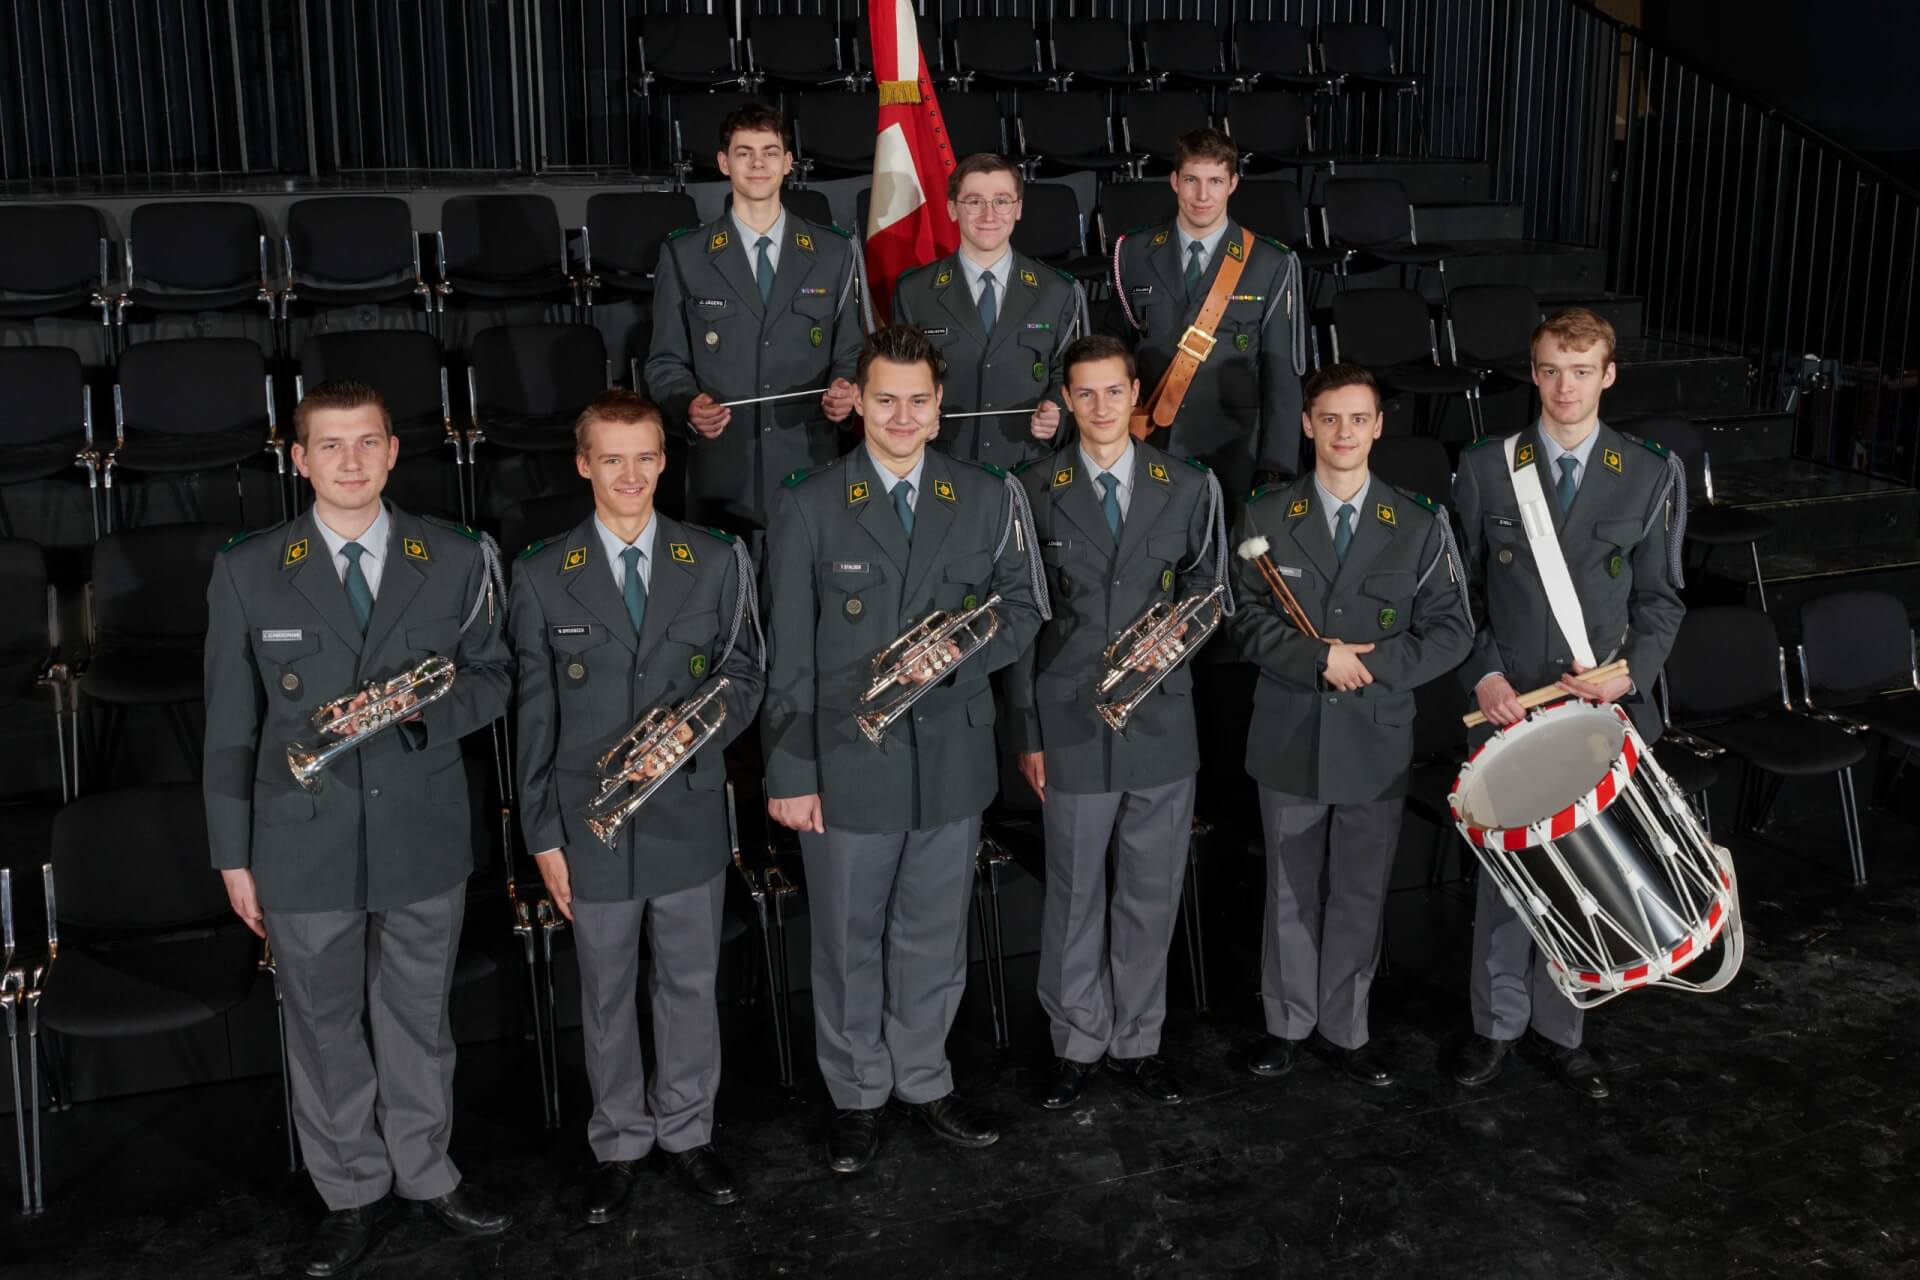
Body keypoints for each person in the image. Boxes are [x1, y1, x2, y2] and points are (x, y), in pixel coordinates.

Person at [202, 381, 514, 1278]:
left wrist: (418, 714)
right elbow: (228, 727)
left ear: (392, 451)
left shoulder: (455, 557)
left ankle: (427, 1172)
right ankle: (350, 1193)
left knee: (418, 1015)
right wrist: (233, 856)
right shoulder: (247, 568)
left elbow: (493, 676)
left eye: (366, 443)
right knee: (323, 1024)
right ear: (297, 459)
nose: (349, 462)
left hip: (421, 829)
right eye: (329, 446)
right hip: (301, 837)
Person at [761, 324, 1047, 1175]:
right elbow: (791, 652)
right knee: (847, 940)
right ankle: (856, 1095)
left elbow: (1023, 607)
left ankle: (924, 1079)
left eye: (918, 400)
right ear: (858, 404)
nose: (901, 415)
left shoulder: (989, 496)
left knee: (931, 932)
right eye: (884, 398)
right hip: (847, 760)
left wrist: (959, 653)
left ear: (939, 406)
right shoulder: (810, 503)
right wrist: (790, 770)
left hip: (950, 757)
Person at [509, 390, 766, 1222]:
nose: (630, 473)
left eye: (646, 456)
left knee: (691, 983)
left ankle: (689, 1132)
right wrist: (542, 834)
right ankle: (619, 1138)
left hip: (686, 810)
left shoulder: (717, 558)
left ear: (666, 460)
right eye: (611, 458)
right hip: (591, 824)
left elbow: (745, 674)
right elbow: (534, 720)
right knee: (606, 989)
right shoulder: (542, 575)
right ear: (584, 464)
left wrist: (694, 735)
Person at [1451, 307, 1687, 1098]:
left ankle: (1563, 1028)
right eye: (1551, 369)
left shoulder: (1651, 473)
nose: (1564, 386)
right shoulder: (1488, 466)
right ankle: (1495, 1028)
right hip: (1511, 706)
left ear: (1608, 376)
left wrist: (1633, 672)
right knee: (1509, 879)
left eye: (1581, 371)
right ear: (1533, 370)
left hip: (1598, 713)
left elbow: (1661, 600)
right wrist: (1482, 675)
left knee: (1586, 874)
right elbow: (1460, 597)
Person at [1229, 363, 1473, 1088]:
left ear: (1378, 425)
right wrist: (1315, 658)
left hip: (1374, 736)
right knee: (1290, 889)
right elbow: (1241, 618)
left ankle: (1346, 1026)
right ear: (1308, 425)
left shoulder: (1420, 523)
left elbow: (1452, 629)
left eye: (1358, 418)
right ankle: (1287, 1024)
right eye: (1329, 419)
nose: (1344, 432)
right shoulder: (1266, 517)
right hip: (1291, 732)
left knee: (1362, 891)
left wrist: (1372, 669)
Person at [1005, 335, 1230, 1111]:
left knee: (1150, 888)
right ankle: (1075, 1042)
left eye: (1114, 391)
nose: (1101, 407)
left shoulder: (1191, 485)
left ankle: (1137, 1040)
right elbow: (1021, 624)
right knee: (1071, 890)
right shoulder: (1031, 489)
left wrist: (1180, 633)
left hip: (1161, 718)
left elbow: (1211, 590)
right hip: (1067, 721)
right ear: (1067, 401)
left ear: (1137, 393)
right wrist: (1026, 732)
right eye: (1085, 394)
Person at [646, 103, 864, 533]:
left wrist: (847, 391)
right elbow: (664, 363)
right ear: (725, 163)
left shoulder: (835, 252)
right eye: (745, 152)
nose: (758, 163)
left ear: (788, 163)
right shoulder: (684, 256)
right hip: (723, 475)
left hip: (810, 469)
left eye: (769, 151)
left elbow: (852, 350)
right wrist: (688, 406)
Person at [1106, 128, 1306, 508]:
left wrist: (1277, 466)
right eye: (1192, 180)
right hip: (1151, 446)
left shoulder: (1270, 262)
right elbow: (1117, 352)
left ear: (1233, 184)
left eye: (1215, 181)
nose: (1202, 195)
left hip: (1232, 451)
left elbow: (1281, 374)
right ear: (1174, 182)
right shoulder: (1133, 253)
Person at [893, 152, 1087, 471]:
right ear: (952, 209)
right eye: (974, 201)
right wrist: (916, 419)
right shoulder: (915, 291)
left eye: (1001, 201)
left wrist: (1056, 411)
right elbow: (897, 378)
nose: (989, 215)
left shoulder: (1058, 291)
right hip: (941, 466)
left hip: (1028, 465)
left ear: (1019, 208)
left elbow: (1072, 375)